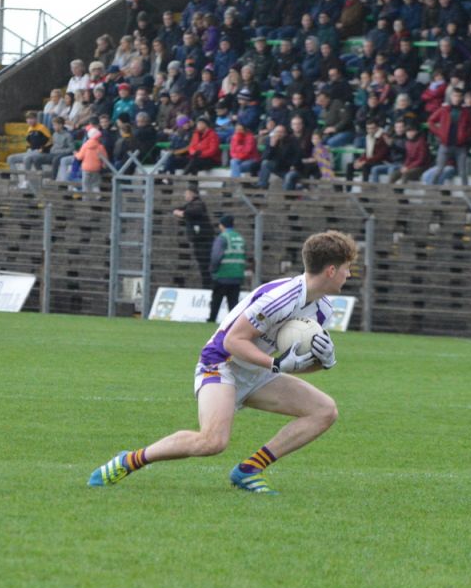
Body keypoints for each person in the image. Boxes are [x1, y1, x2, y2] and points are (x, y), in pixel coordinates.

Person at [88, 230, 353, 495]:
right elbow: (233, 341)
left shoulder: (322, 309)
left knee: (324, 411)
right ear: (331, 270)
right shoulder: (281, 297)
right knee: (212, 441)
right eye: (347, 268)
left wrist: (324, 362)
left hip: (258, 371)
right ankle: (128, 461)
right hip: (222, 364)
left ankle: (248, 470)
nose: (349, 275)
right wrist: (275, 365)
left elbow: (294, 362)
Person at [173, 184, 214, 288]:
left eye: (186, 193)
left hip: (204, 241)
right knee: (203, 265)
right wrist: (178, 211)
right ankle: (207, 285)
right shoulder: (190, 204)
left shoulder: (198, 204)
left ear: (192, 194)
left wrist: (182, 213)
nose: (184, 196)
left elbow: (194, 211)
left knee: (205, 265)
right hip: (198, 241)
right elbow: (178, 209)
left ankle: (208, 286)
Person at [207, 213, 246, 324]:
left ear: (222, 225)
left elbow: (216, 256)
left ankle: (212, 319)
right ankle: (233, 323)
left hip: (223, 274)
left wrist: (213, 270)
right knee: (233, 302)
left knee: (216, 299)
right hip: (237, 275)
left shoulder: (222, 238)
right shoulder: (239, 238)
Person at [7, 111, 52, 187]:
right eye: (28, 119)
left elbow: (50, 141)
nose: (29, 121)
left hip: (40, 151)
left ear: (35, 119)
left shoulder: (42, 128)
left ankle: (26, 180)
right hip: (31, 151)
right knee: (11, 158)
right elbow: (30, 142)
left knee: (27, 158)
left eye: (31, 118)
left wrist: (43, 149)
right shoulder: (29, 129)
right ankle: (15, 180)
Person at [75, 127, 107, 195]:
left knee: (85, 185)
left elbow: (79, 157)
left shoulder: (85, 145)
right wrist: (104, 165)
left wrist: (76, 154)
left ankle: (85, 199)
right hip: (96, 168)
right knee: (95, 184)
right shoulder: (100, 147)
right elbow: (105, 158)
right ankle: (97, 198)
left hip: (86, 168)